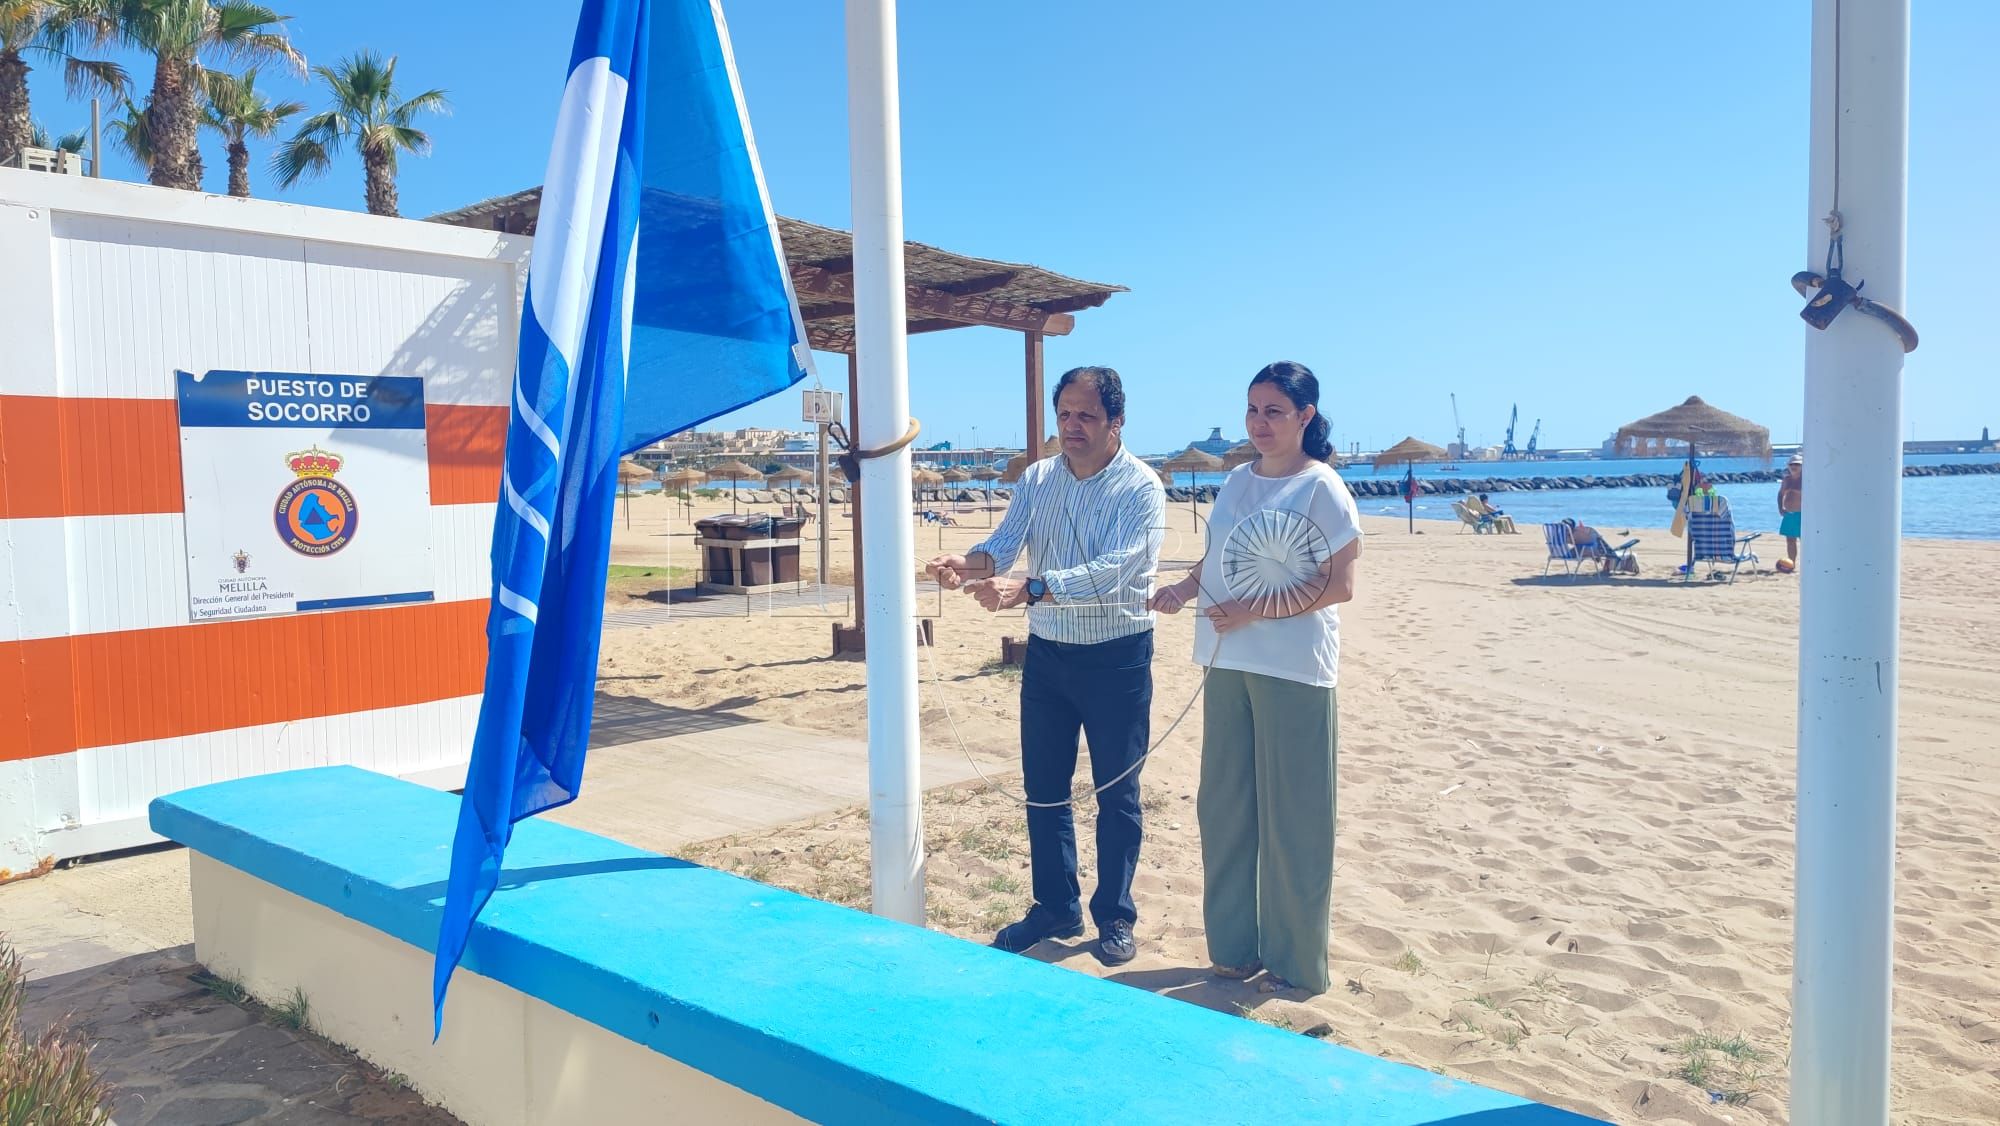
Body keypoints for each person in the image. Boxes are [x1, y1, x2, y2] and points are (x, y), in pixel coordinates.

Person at [927, 367, 1166, 966]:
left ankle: (1114, 915)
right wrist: (971, 563)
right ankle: (1054, 905)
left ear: (1116, 421)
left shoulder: (1142, 488)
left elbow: (1117, 568)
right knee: (1044, 789)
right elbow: (1005, 543)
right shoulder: (1037, 478)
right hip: (1050, 654)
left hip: (1119, 655)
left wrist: (1028, 590)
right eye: (1064, 414)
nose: (1072, 427)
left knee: (1117, 793)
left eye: (1086, 416)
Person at [1149, 361, 1360, 995]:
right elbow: (1216, 558)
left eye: (1274, 411)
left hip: (1294, 668)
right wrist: (1184, 590)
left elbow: (1341, 586)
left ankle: (1297, 965)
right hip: (1224, 661)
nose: (1260, 422)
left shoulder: (1323, 487)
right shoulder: (1236, 481)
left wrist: (1253, 611)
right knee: (1227, 809)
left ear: (1306, 417)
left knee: (1295, 816)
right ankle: (1234, 953)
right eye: (1253, 410)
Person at [1777, 455, 1803, 572]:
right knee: (1790, 541)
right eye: (1792, 464)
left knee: (1806, 541)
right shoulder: (1786, 480)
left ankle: (1808, 564)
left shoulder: (1806, 479)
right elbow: (1780, 494)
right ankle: (1791, 564)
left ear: (1802, 466)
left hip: (1803, 514)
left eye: (1797, 464)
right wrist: (1780, 508)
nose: (1794, 466)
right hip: (1789, 513)